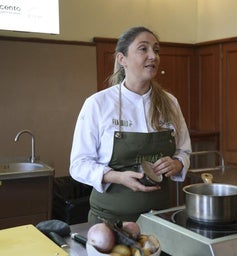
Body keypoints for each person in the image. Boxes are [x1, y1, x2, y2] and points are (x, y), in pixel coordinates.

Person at [69, 26, 191, 225]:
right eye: (143, 49)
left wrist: (177, 163)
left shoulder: (170, 103)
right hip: (109, 222)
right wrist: (117, 177)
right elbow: (78, 165)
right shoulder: (98, 104)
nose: (153, 56)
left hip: (160, 219)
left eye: (156, 50)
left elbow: (184, 151)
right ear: (121, 59)